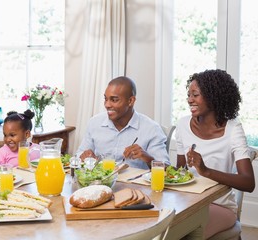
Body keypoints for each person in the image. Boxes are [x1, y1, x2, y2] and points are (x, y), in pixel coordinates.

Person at [175, 69, 255, 239]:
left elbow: (248, 182)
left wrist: (206, 171)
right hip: (188, 203)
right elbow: (178, 173)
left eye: (195, 95)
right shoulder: (182, 125)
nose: (190, 100)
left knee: (184, 234)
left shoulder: (233, 129)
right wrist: (151, 162)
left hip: (220, 205)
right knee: (164, 228)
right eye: (188, 95)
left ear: (213, 96)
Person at [76, 76, 170, 169]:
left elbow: (166, 169)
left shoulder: (152, 129)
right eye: (106, 99)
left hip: (135, 183)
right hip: (100, 182)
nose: (107, 105)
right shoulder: (94, 123)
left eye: (114, 100)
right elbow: (79, 155)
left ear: (130, 101)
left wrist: (147, 158)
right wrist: (84, 156)